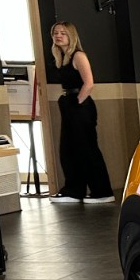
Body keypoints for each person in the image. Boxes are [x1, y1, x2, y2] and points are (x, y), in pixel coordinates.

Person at [48, 21, 113, 204]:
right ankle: (74, 190)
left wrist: (77, 104)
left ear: (71, 36)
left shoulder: (78, 56)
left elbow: (89, 83)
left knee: (87, 149)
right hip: (69, 103)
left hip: (80, 106)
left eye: (63, 33)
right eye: (55, 33)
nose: (58, 36)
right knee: (69, 149)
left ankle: (102, 192)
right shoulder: (61, 58)